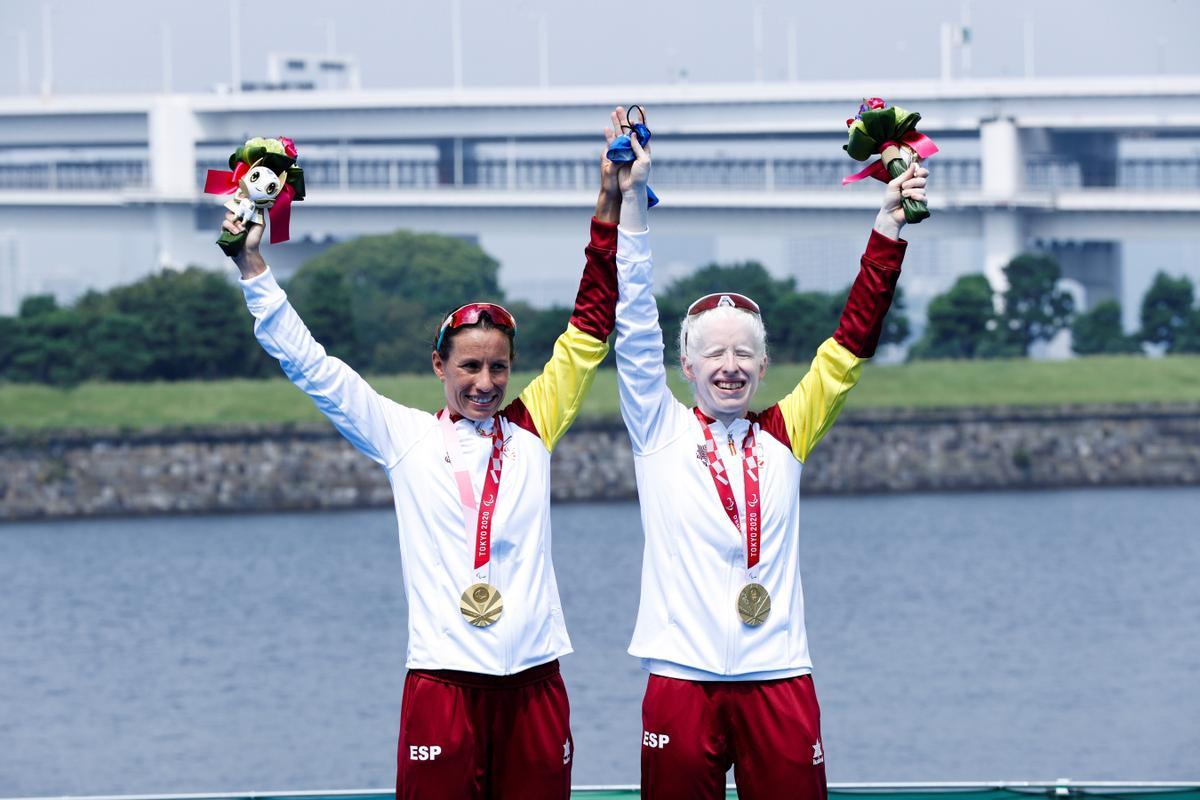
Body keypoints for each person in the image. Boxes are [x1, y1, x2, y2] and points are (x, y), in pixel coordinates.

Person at [220, 119, 625, 800]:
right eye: (469, 366)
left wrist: (610, 200)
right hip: (441, 681)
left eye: (499, 368)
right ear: (440, 365)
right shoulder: (402, 435)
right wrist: (251, 267)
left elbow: (589, 326)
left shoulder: (536, 423)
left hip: (534, 682)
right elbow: (312, 366)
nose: (485, 383)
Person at [611, 107, 929, 799]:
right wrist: (633, 198)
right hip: (680, 681)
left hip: (780, 677)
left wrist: (889, 226)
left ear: (763, 365)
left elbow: (852, 338)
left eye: (743, 354)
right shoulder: (657, 427)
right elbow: (633, 321)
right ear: (687, 367)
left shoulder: (791, 428)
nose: (730, 366)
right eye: (714, 353)